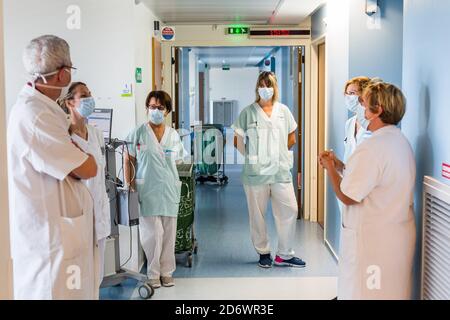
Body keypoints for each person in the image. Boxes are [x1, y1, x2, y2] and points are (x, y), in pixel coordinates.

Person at [7, 35, 98, 299]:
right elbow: (88, 168)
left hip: (60, 235)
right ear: (63, 74)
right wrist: (79, 157)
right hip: (50, 244)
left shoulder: (44, 111)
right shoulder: (35, 116)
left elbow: (78, 161)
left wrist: (77, 155)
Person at [319, 82, 416, 300]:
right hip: (394, 235)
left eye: (364, 104)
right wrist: (339, 165)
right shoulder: (399, 141)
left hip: (372, 241)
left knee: (368, 292)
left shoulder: (373, 147)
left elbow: (348, 195)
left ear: (378, 110)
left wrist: (328, 169)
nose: (361, 108)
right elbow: (370, 178)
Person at [232, 71, 306, 269]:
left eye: (269, 84)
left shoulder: (283, 111)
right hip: (255, 174)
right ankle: (263, 252)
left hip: (280, 172)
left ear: (275, 87)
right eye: (262, 85)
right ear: (257, 88)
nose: (265, 88)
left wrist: (279, 154)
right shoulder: (248, 112)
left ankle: (284, 254)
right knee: (257, 214)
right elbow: (237, 139)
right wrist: (252, 157)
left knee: (290, 209)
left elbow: (292, 137)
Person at [124, 91, 187, 289]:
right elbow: (128, 159)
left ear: (167, 111)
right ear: (147, 108)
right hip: (146, 189)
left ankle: (167, 272)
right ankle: (153, 273)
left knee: (168, 233)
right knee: (153, 234)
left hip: (168, 189)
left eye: (160, 108)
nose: (155, 111)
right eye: (152, 107)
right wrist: (130, 186)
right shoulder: (138, 133)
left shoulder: (173, 135)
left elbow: (177, 161)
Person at [58, 82, 111, 295]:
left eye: (90, 94)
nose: (90, 98)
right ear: (70, 101)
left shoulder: (95, 133)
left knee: (97, 276)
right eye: (84, 95)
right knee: (78, 281)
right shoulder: (65, 137)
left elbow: (100, 171)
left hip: (100, 214)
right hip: (78, 217)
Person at [343, 77, 372, 163]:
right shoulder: (349, 123)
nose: (348, 97)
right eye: (346, 94)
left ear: (365, 94)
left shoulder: (375, 122)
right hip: (350, 174)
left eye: (352, 93)